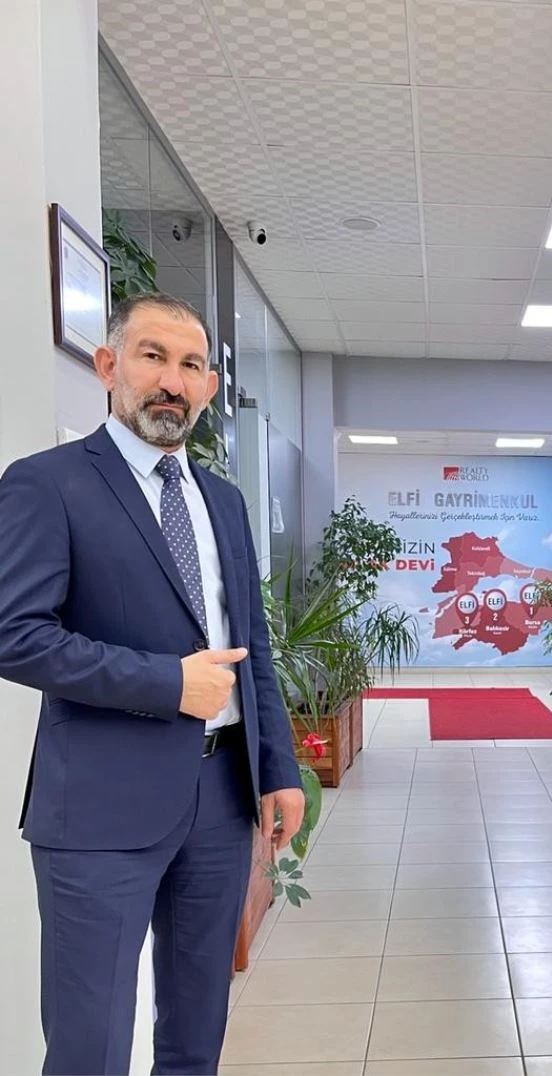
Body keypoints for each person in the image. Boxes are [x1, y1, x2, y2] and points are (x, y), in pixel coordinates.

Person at [0, 293, 305, 1076]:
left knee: (196, 1035)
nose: (172, 380)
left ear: (208, 387)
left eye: (191, 365)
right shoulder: (47, 483)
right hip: (99, 810)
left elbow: (250, 646)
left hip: (221, 800)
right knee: (91, 1046)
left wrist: (278, 768)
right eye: (153, 357)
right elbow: (16, 635)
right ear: (108, 366)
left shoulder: (223, 501)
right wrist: (165, 683)